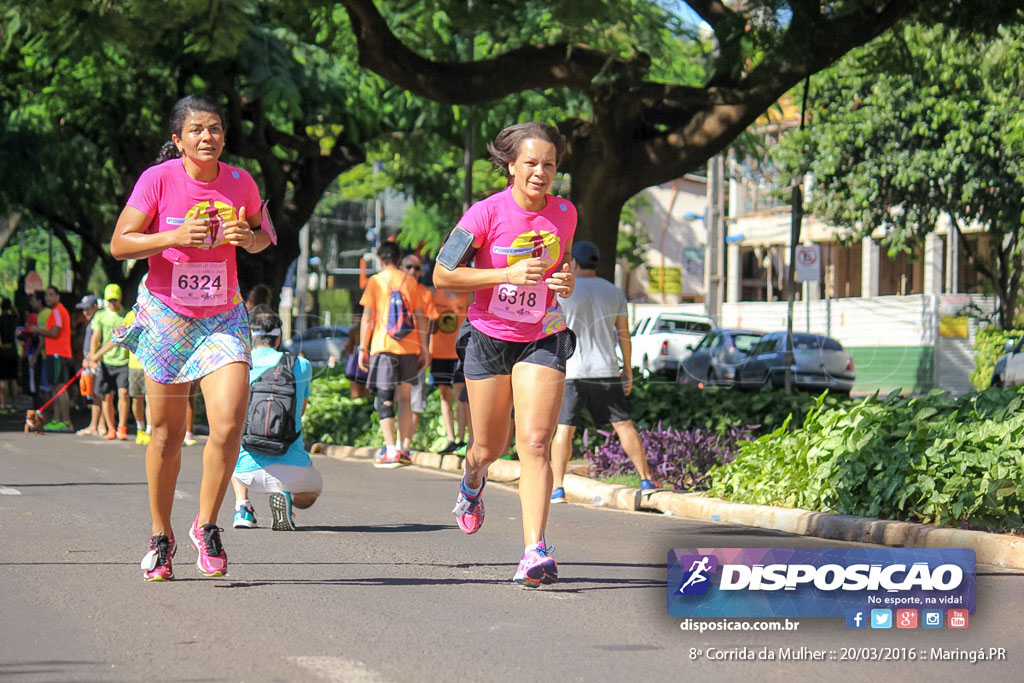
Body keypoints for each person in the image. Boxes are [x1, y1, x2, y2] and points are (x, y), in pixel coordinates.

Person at [110, 94, 269, 581]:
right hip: (166, 317)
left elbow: (265, 234)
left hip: (222, 315)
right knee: (166, 434)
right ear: (178, 139)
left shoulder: (241, 182)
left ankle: (207, 525)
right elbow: (120, 244)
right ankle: (161, 536)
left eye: (216, 129)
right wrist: (172, 238)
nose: (208, 137)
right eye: (197, 130)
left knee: (227, 422)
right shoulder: (157, 180)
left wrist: (249, 238)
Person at [433, 121, 576, 587]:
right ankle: (473, 480)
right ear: (511, 166)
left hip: (543, 333)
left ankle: (534, 549)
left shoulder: (565, 213)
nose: (541, 172)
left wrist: (565, 281)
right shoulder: (483, 214)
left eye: (549, 165)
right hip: (489, 336)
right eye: (531, 163)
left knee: (534, 442)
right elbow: (442, 274)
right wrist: (504, 276)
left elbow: (563, 265)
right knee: (489, 446)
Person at [549, 241, 661, 504]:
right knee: (623, 424)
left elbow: (554, 332)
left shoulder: (564, 292)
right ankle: (645, 478)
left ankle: (557, 488)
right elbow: (624, 334)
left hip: (572, 370)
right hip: (606, 369)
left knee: (565, 429)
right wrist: (628, 369)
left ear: (574, 263)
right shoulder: (614, 292)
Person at [231, 305, 321, 530]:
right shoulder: (301, 365)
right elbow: (300, 411)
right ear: (278, 337)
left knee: (229, 438)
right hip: (293, 471)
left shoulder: (239, 365)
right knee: (313, 491)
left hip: (245, 472)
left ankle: (243, 507)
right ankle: (287, 497)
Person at [357, 241, 430, 468]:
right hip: (409, 347)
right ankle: (404, 448)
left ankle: (390, 450)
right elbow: (420, 317)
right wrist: (424, 347)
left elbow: (368, 317)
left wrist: (363, 348)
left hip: (384, 346)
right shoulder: (410, 281)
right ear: (399, 259)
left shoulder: (375, 281)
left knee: (385, 398)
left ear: (380, 260)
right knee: (405, 398)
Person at [400, 252, 437, 453]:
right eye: (408, 267)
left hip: (415, 353)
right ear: (400, 267)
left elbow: (429, 324)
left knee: (415, 400)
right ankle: (393, 445)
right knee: (391, 399)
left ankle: (405, 446)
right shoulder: (391, 287)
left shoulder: (424, 292)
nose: (413, 271)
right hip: (392, 352)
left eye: (417, 268)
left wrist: (426, 351)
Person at [429, 283, 471, 454]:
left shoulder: (467, 293)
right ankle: (450, 438)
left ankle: (462, 439)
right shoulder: (434, 293)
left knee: (461, 396)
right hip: (438, 352)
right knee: (445, 395)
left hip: (459, 352)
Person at [90, 284, 130, 440]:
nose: (113, 303)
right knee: (107, 396)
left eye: (115, 300)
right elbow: (95, 337)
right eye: (110, 300)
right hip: (107, 362)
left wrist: (97, 354)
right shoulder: (100, 316)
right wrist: (93, 356)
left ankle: (122, 427)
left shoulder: (126, 315)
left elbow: (116, 340)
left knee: (123, 393)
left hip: (123, 360)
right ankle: (111, 428)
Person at [33, 287, 74, 430]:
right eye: (46, 295)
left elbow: (54, 332)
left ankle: (65, 421)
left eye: (51, 295)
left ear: (58, 296)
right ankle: (58, 420)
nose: (48, 298)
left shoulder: (57, 311)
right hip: (55, 353)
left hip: (58, 354)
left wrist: (37, 330)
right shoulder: (56, 311)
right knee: (55, 387)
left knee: (60, 387)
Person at [75, 294, 107, 436]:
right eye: (83, 310)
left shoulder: (98, 321)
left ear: (95, 307)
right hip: (90, 361)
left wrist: (93, 359)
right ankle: (98, 425)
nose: (85, 312)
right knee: (95, 394)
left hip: (96, 362)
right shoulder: (92, 322)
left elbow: (100, 342)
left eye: (87, 309)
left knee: (98, 394)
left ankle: (97, 425)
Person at [122, 308, 150, 445]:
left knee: (150, 400)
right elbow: (125, 336)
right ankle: (140, 429)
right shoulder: (130, 315)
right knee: (137, 399)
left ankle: (150, 431)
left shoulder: (155, 311)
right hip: (135, 364)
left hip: (151, 364)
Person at [0, 298, 19, 414]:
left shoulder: (0, 320)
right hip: (13, 350)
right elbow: (17, 313)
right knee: (13, 379)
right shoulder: (14, 319)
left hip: (2, 350)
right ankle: (14, 404)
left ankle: (3, 405)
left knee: (2, 379)